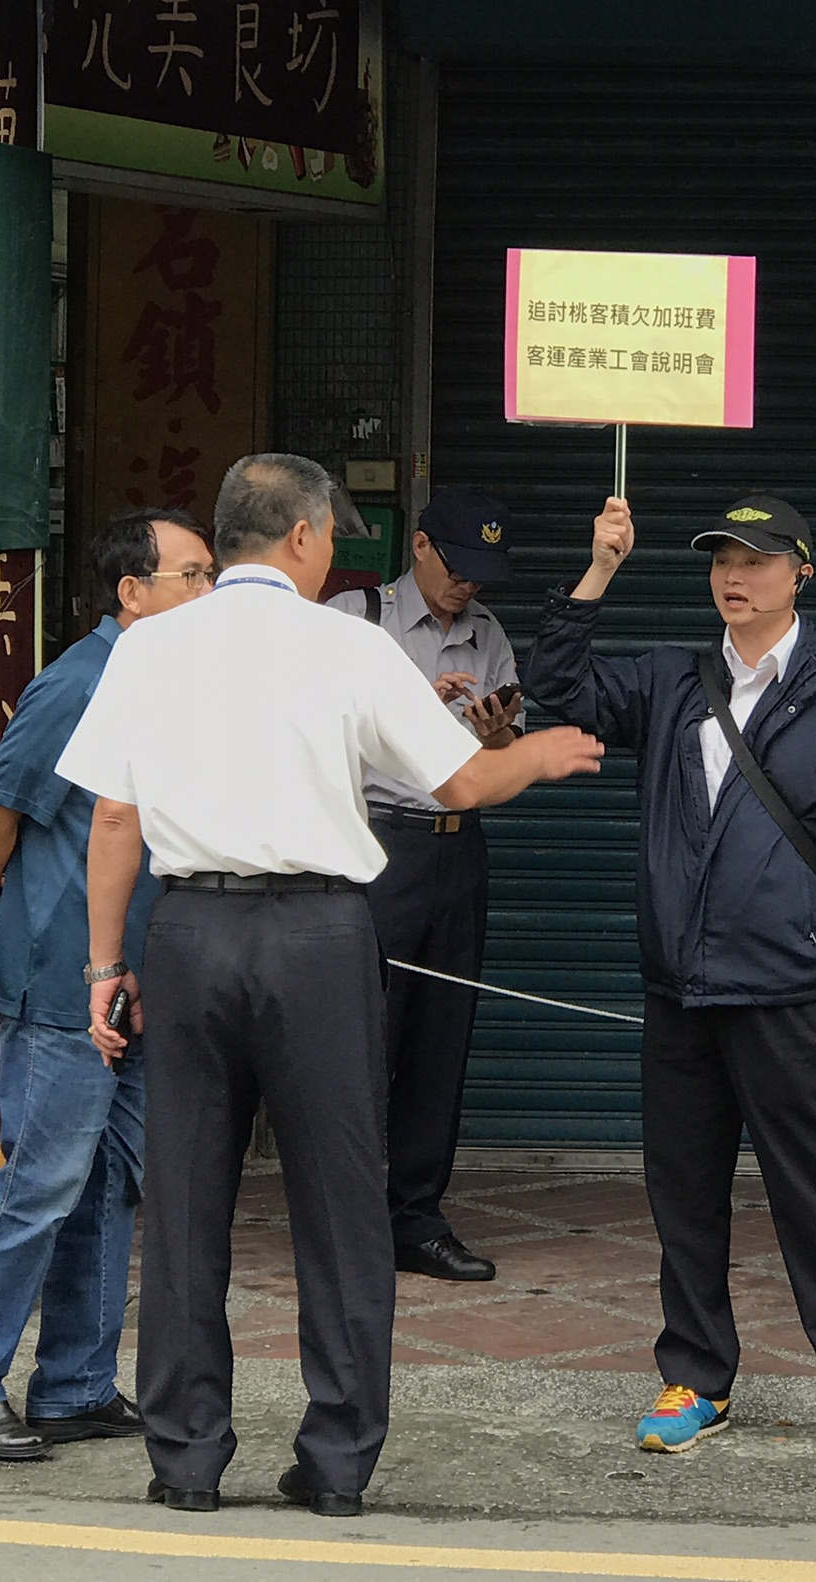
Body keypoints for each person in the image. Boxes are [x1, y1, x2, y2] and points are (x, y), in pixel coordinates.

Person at [57, 454, 603, 1519]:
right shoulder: (350, 643)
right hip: (317, 937)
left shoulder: (149, 645)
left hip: (194, 931)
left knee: (184, 1203)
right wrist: (536, 754)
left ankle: (185, 1459)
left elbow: (113, 821)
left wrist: (105, 966)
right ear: (304, 536)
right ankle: (337, 1462)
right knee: (342, 1204)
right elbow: (458, 778)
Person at [526, 494, 816, 1459]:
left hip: (791, 991)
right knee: (684, 1193)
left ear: (801, 572)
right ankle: (694, 1377)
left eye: (756, 560)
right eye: (721, 559)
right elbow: (562, 684)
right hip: (682, 991)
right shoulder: (675, 678)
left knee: (814, 1195)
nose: (733, 576)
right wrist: (597, 571)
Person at [0, 509, 215, 1461]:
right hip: (57, 981)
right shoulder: (77, 682)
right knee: (41, 1179)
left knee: (113, 1181)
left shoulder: (166, 683)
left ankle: (76, 1384)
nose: (209, 594)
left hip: (132, 978)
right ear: (132, 592)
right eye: (192, 575)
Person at [326, 488, 524, 1283]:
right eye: (457, 567)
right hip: (376, 846)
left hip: (456, 851)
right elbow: (307, 720)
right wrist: (407, 703)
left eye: (482, 575)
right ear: (420, 547)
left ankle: (416, 1217)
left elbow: (508, 759)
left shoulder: (488, 635)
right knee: (360, 1039)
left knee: (442, 1039)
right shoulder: (354, 617)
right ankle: (343, 1218)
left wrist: (500, 734)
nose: (467, 587)